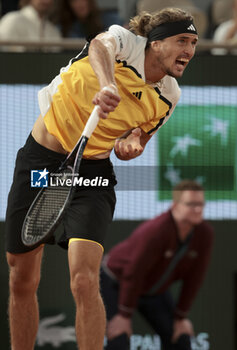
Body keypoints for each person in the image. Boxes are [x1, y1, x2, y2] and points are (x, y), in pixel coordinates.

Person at [4, 7, 198, 350]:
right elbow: (99, 46)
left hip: (91, 176)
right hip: (41, 164)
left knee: (83, 279)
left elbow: (139, 137)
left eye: (194, 42)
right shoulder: (125, 43)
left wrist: (131, 144)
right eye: (181, 40)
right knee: (22, 278)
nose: (189, 50)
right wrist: (108, 84)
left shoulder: (169, 95)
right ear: (154, 42)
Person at [101, 180, 214, 350]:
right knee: (119, 339)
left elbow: (195, 277)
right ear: (175, 205)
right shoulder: (156, 230)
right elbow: (133, 272)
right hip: (116, 282)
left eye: (201, 204)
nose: (198, 209)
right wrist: (124, 315)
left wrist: (181, 317)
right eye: (191, 204)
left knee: (180, 339)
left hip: (152, 290)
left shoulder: (205, 233)